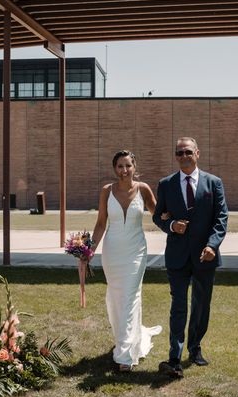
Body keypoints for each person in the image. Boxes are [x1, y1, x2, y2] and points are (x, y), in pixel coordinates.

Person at [153, 137, 228, 378]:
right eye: (179, 153)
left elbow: (221, 217)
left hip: (205, 255)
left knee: (201, 304)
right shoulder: (166, 184)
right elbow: (158, 217)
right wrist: (172, 225)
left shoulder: (214, 183)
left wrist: (213, 245)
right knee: (178, 305)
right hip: (177, 256)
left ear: (197, 153)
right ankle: (174, 354)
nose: (183, 156)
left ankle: (195, 348)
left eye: (187, 152)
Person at [90, 150, 162, 372]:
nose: (124, 170)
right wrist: (88, 250)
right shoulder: (106, 191)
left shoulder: (143, 189)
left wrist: (177, 225)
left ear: (134, 166)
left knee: (130, 297)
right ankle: (128, 339)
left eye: (128, 166)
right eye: (120, 166)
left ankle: (125, 355)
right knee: (116, 296)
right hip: (112, 252)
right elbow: (101, 223)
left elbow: (159, 215)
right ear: (115, 169)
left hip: (135, 252)